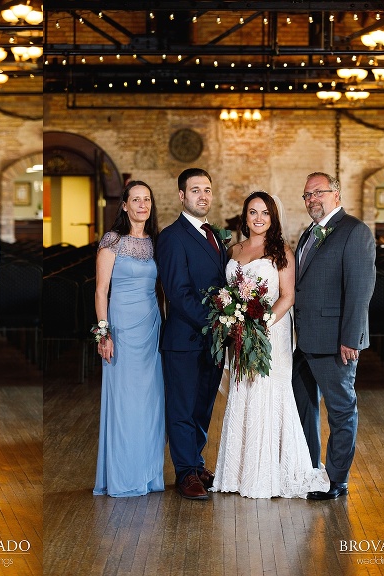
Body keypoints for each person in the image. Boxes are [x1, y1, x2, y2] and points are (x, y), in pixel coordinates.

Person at [210, 191, 329, 498]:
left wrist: (261, 323)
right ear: (245, 216)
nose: (259, 218)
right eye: (253, 212)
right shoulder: (234, 249)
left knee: (268, 393)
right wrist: (234, 319)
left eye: (265, 212)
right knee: (244, 393)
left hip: (270, 332)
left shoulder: (281, 251)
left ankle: (271, 473)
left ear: (273, 218)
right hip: (240, 333)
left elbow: (288, 296)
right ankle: (240, 473)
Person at [292, 172, 376, 500]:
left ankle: (336, 480)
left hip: (336, 342)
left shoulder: (355, 231)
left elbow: (360, 289)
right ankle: (309, 468)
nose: (312, 199)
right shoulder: (309, 233)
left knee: (341, 411)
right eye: (307, 195)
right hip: (305, 340)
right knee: (304, 407)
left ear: (336, 194)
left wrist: (351, 338)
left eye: (318, 192)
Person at [156, 168, 227, 500]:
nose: (203, 196)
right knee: (182, 409)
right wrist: (215, 323)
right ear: (182, 196)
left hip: (213, 341)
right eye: (195, 190)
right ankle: (185, 473)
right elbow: (178, 293)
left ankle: (196, 464)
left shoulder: (215, 235)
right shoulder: (172, 236)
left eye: (207, 190)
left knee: (203, 407)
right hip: (184, 339)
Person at [93, 181, 165, 497]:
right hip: (121, 329)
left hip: (151, 327)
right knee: (124, 401)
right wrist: (104, 333)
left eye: (146, 199)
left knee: (150, 402)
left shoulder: (157, 242)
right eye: (135, 199)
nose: (142, 204)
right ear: (124, 205)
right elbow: (101, 290)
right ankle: (123, 476)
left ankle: (148, 475)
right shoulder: (112, 240)